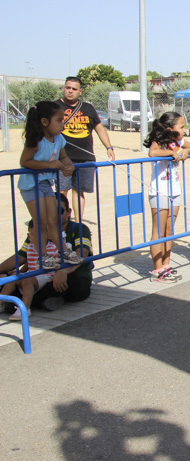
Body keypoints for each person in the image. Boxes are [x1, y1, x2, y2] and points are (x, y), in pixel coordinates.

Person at [0, 193, 94, 315]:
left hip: (73, 276)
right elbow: (20, 257)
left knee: (67, 279)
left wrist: (64, 271)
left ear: (69, 212)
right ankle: (45, 301)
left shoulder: (78, 228)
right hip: (43, 277)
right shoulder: (38, 230)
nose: (53, 216)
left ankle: (19, 304)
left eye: (58, 211)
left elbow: (82, 253)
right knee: (9, 276)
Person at [18, 101, 82, 270]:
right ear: (45, 122)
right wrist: (49, 165)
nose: (63, 124)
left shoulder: (59, 139)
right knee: (41, 222)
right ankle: (42, 256)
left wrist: (70, 166)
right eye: (59, 120)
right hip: (31, 184)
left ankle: (63, 251)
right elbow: (25, 161)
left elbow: (63, 157)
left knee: (54, 220)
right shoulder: (36, 140)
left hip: (46, 183)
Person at [145, 112, 190, 281]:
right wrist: (169, 153)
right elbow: (152, 153)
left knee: (169, 230)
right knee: (159, 231)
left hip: (174, 189)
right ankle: (157, 269)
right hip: (159, 190)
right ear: (170, 128)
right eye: (181, 127)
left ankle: (166, 264)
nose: (184, 130)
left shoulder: (179, 141)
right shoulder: (160, 141)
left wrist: (186, 151)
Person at [56, 77, 115, 219]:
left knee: (79, 191)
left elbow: (99, 128)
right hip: (62, 158)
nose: (70, 91)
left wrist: (109, 147)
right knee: (62, 191)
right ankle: (60, 221)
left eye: (74, 89)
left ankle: (78, 224)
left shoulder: (88, 108)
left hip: (85, 158)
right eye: (68, 88)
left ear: (80, 92)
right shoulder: (54, 107)